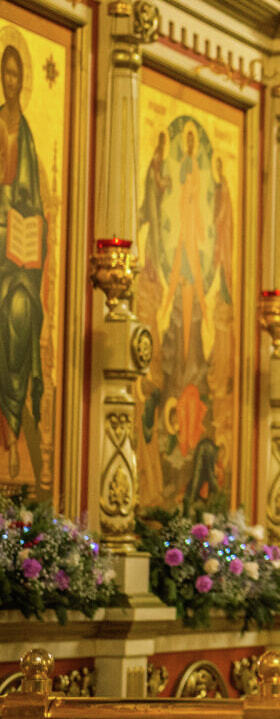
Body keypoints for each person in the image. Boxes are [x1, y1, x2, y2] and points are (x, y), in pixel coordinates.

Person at [0, 43, 45, 479]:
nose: (12, 81)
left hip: (17, 247)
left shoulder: (26, 131)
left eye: (17, 75)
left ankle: (12, 429)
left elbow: (32, 198)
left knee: (22, 313)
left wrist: (29, 219)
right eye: (7, 74)